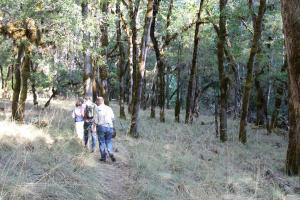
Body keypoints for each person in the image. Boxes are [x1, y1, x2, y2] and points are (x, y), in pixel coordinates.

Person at [94, 97, 116, 162]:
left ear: (98, 102)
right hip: (110, 127)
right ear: (103, 101)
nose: (96, 103)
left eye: (96, 101)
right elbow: (113, 118)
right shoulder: (109, 108)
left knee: (101, 142)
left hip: (101, 127)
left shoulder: (97, 109)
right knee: (109, 141)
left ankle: (103, 157)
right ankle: (110, 153)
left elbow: (95, 120)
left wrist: (94, 126)